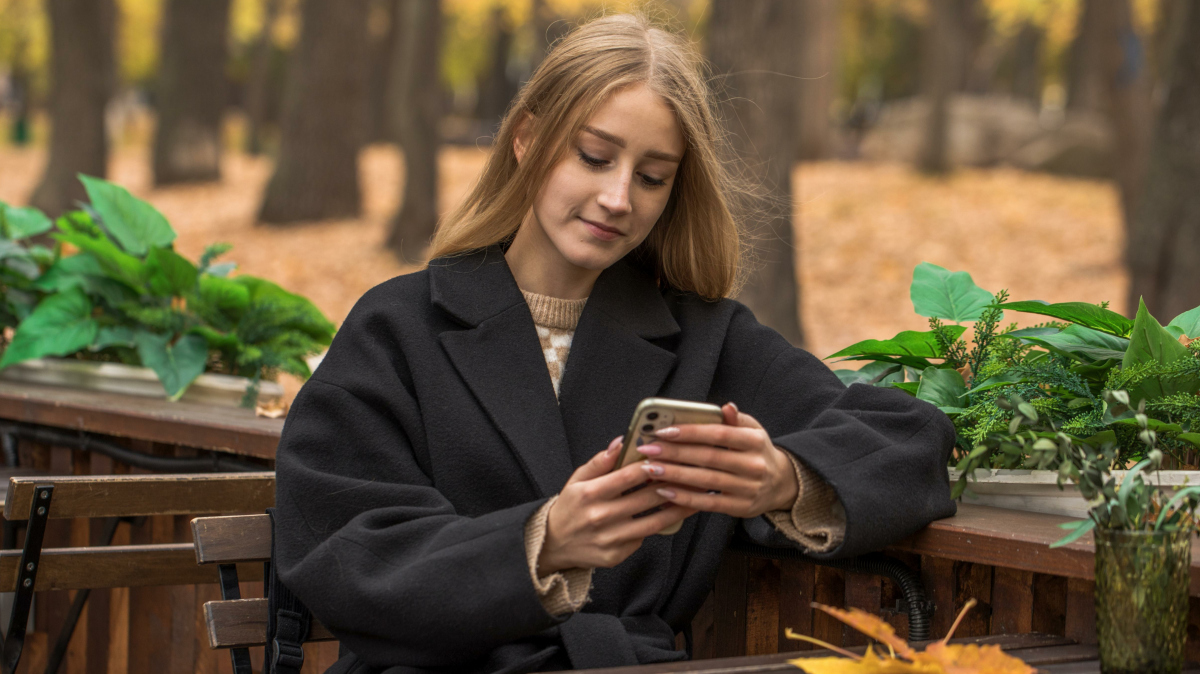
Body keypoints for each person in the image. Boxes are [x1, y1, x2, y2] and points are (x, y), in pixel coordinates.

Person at [274, 13, 955, 674]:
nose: (618, 197)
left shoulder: (705, 340)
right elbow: (345, 549)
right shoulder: (397, 327)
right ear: (526, 139)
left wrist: (784, 479)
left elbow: (907, 435)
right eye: (594, 157)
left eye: (652, 176)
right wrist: (542, 544)